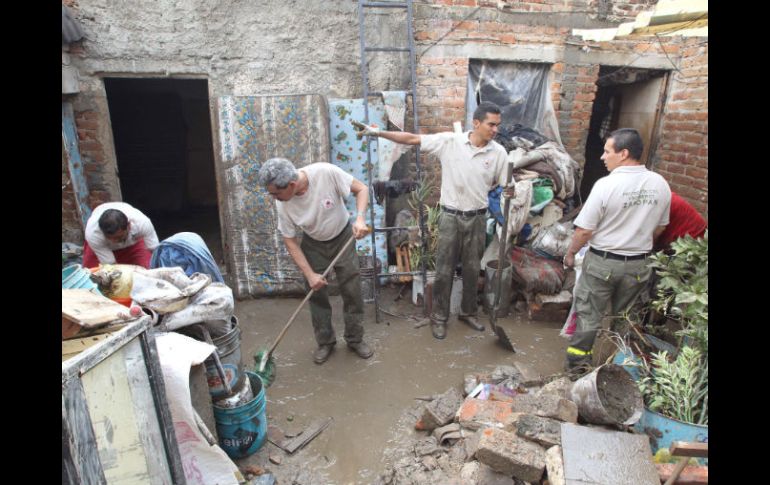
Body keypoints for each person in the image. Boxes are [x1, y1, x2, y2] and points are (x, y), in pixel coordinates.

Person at [355, 101, 513, 340]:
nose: (495, 130)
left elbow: (503, 184)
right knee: (444, 270)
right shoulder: (450, 142)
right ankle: (439, 318)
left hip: (478, 218)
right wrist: (377, 132)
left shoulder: (498, 152)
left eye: (498, 125)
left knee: (472, 269)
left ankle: (468, 313)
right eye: (491, 125)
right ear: (477, 123)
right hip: (450, 216)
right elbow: (410, 139)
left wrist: (510, 190)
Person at [562, 128, 671, 374]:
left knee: (589, 316)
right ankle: (619, 369)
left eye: (607, 151)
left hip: (603, 263)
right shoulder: (660, 184)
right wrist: (637, 241)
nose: (602, 157)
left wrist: (570, 254)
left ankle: (576, 369)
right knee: (627, 319)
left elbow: (583, 231)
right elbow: (661, 227)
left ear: (623, 154)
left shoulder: (606, 185)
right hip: (639, 266)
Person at [257, 158, 374, 364]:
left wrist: (360, 218)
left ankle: (355, 339)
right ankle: (325, 342)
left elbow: (362, 189)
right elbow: (290, 240)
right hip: (313, 243)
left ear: (291, 185)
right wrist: (310, 275)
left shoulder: (325, 173)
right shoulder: (282, 204)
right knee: (316, 292)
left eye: (276, 193)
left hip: (342, 236)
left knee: (352, 289)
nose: (273, 197)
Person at [83, 201, 159, 269]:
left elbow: (155, 251)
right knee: (91, 276)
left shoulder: (142, 223)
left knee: (149, 268)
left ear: (128, 226)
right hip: (102, 247)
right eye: (109, 238)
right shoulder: (93, 234)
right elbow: (110, 266)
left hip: (133, 244)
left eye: (118, 237)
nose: (114, 241)